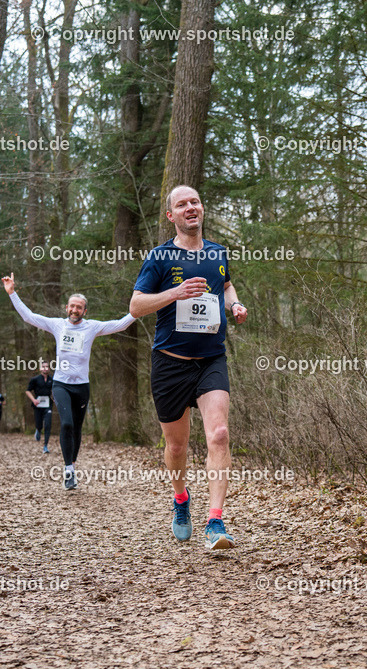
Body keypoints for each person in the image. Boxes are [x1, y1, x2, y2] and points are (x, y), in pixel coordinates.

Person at [130, 185, 248, 550]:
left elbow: (225, 284)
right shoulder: (160, 257)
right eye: (181, 204)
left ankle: (216, 521)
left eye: (195, 202)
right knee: (177, 448)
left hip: (211, 359)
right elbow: (136, 306)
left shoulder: (218, 252)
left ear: (202, 209)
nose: (190, 208)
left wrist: (235, 304)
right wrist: (174, 293)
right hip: (170, 363)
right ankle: (181, 500)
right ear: (172, 216)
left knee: (219, 434)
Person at [1, 273, 135, 489]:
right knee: (66, 423)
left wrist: (138, 310)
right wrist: (12, 293)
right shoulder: (57, 325)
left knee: (78, 428)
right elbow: (29, 317)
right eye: (72, 306)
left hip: (82, 386)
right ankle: (68, 471)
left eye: (79, 307)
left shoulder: (91, 327)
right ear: (66, 308)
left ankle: (72, 463)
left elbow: (120, 324)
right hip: (61, 384)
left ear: (85, 311)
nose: (75, 310)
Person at [25, 361, 53, 454]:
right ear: (40, 368)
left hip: (48, 405)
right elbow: (28, 391)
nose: (45, 368)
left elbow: (55, 391)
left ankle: (45, 446)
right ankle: (38, 430)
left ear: (49, 368)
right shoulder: (35, 379)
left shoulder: (52, 379)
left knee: (48, 424)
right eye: (43, 367)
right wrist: (33, 400)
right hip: (38, 405)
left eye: (47, 366)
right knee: (39, 424)